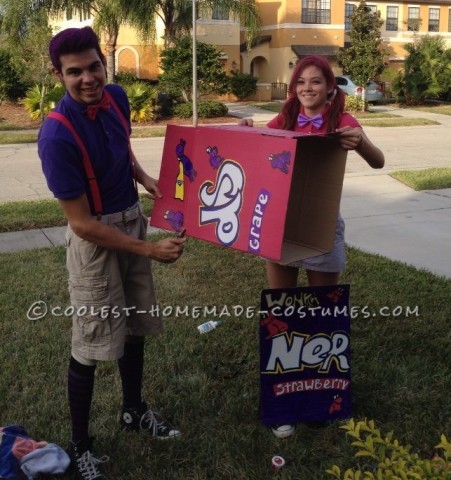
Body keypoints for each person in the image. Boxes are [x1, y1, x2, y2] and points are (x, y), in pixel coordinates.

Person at [38, 27, 186, 479]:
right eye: (75, 72)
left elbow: (122, 148)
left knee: (136, 327)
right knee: (91, 342)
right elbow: (81, 224)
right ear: (59, 75)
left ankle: (133, 410)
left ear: (105, 63)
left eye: (94, 66)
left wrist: (145, 180)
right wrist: (148, 248)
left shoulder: (117, 98)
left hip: (130, 218)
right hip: (96, 241)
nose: (88, 78)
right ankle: (81, 445)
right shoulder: (56, 136)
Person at [241, 55, 384, 439]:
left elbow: (378, 160)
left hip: (321, 229)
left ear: (329, 88)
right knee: (281, 311)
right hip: (280, 227)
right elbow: (255, 150)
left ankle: (321, 396)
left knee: (323, 316)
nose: (307, 88)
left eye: (316, 82)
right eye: (301, 82)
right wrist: (245, 133)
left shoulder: (342, 122)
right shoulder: (283, 120)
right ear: (293, 88)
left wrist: (362, 142)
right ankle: (283, 403)